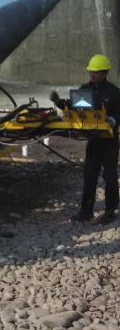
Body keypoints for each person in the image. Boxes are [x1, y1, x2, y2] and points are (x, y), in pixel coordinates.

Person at [65, 55, 120, 223]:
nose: (92, 74)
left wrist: (113, 119)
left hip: (109, 141)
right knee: (90, 176)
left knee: (110, 177)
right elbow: (75, 110)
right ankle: (86, 211)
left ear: (105, 73)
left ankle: (110, 212)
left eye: (96, 72)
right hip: (93, 141)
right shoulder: (84, 90)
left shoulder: (114, 92)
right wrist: (64, 106)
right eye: (91, 71)